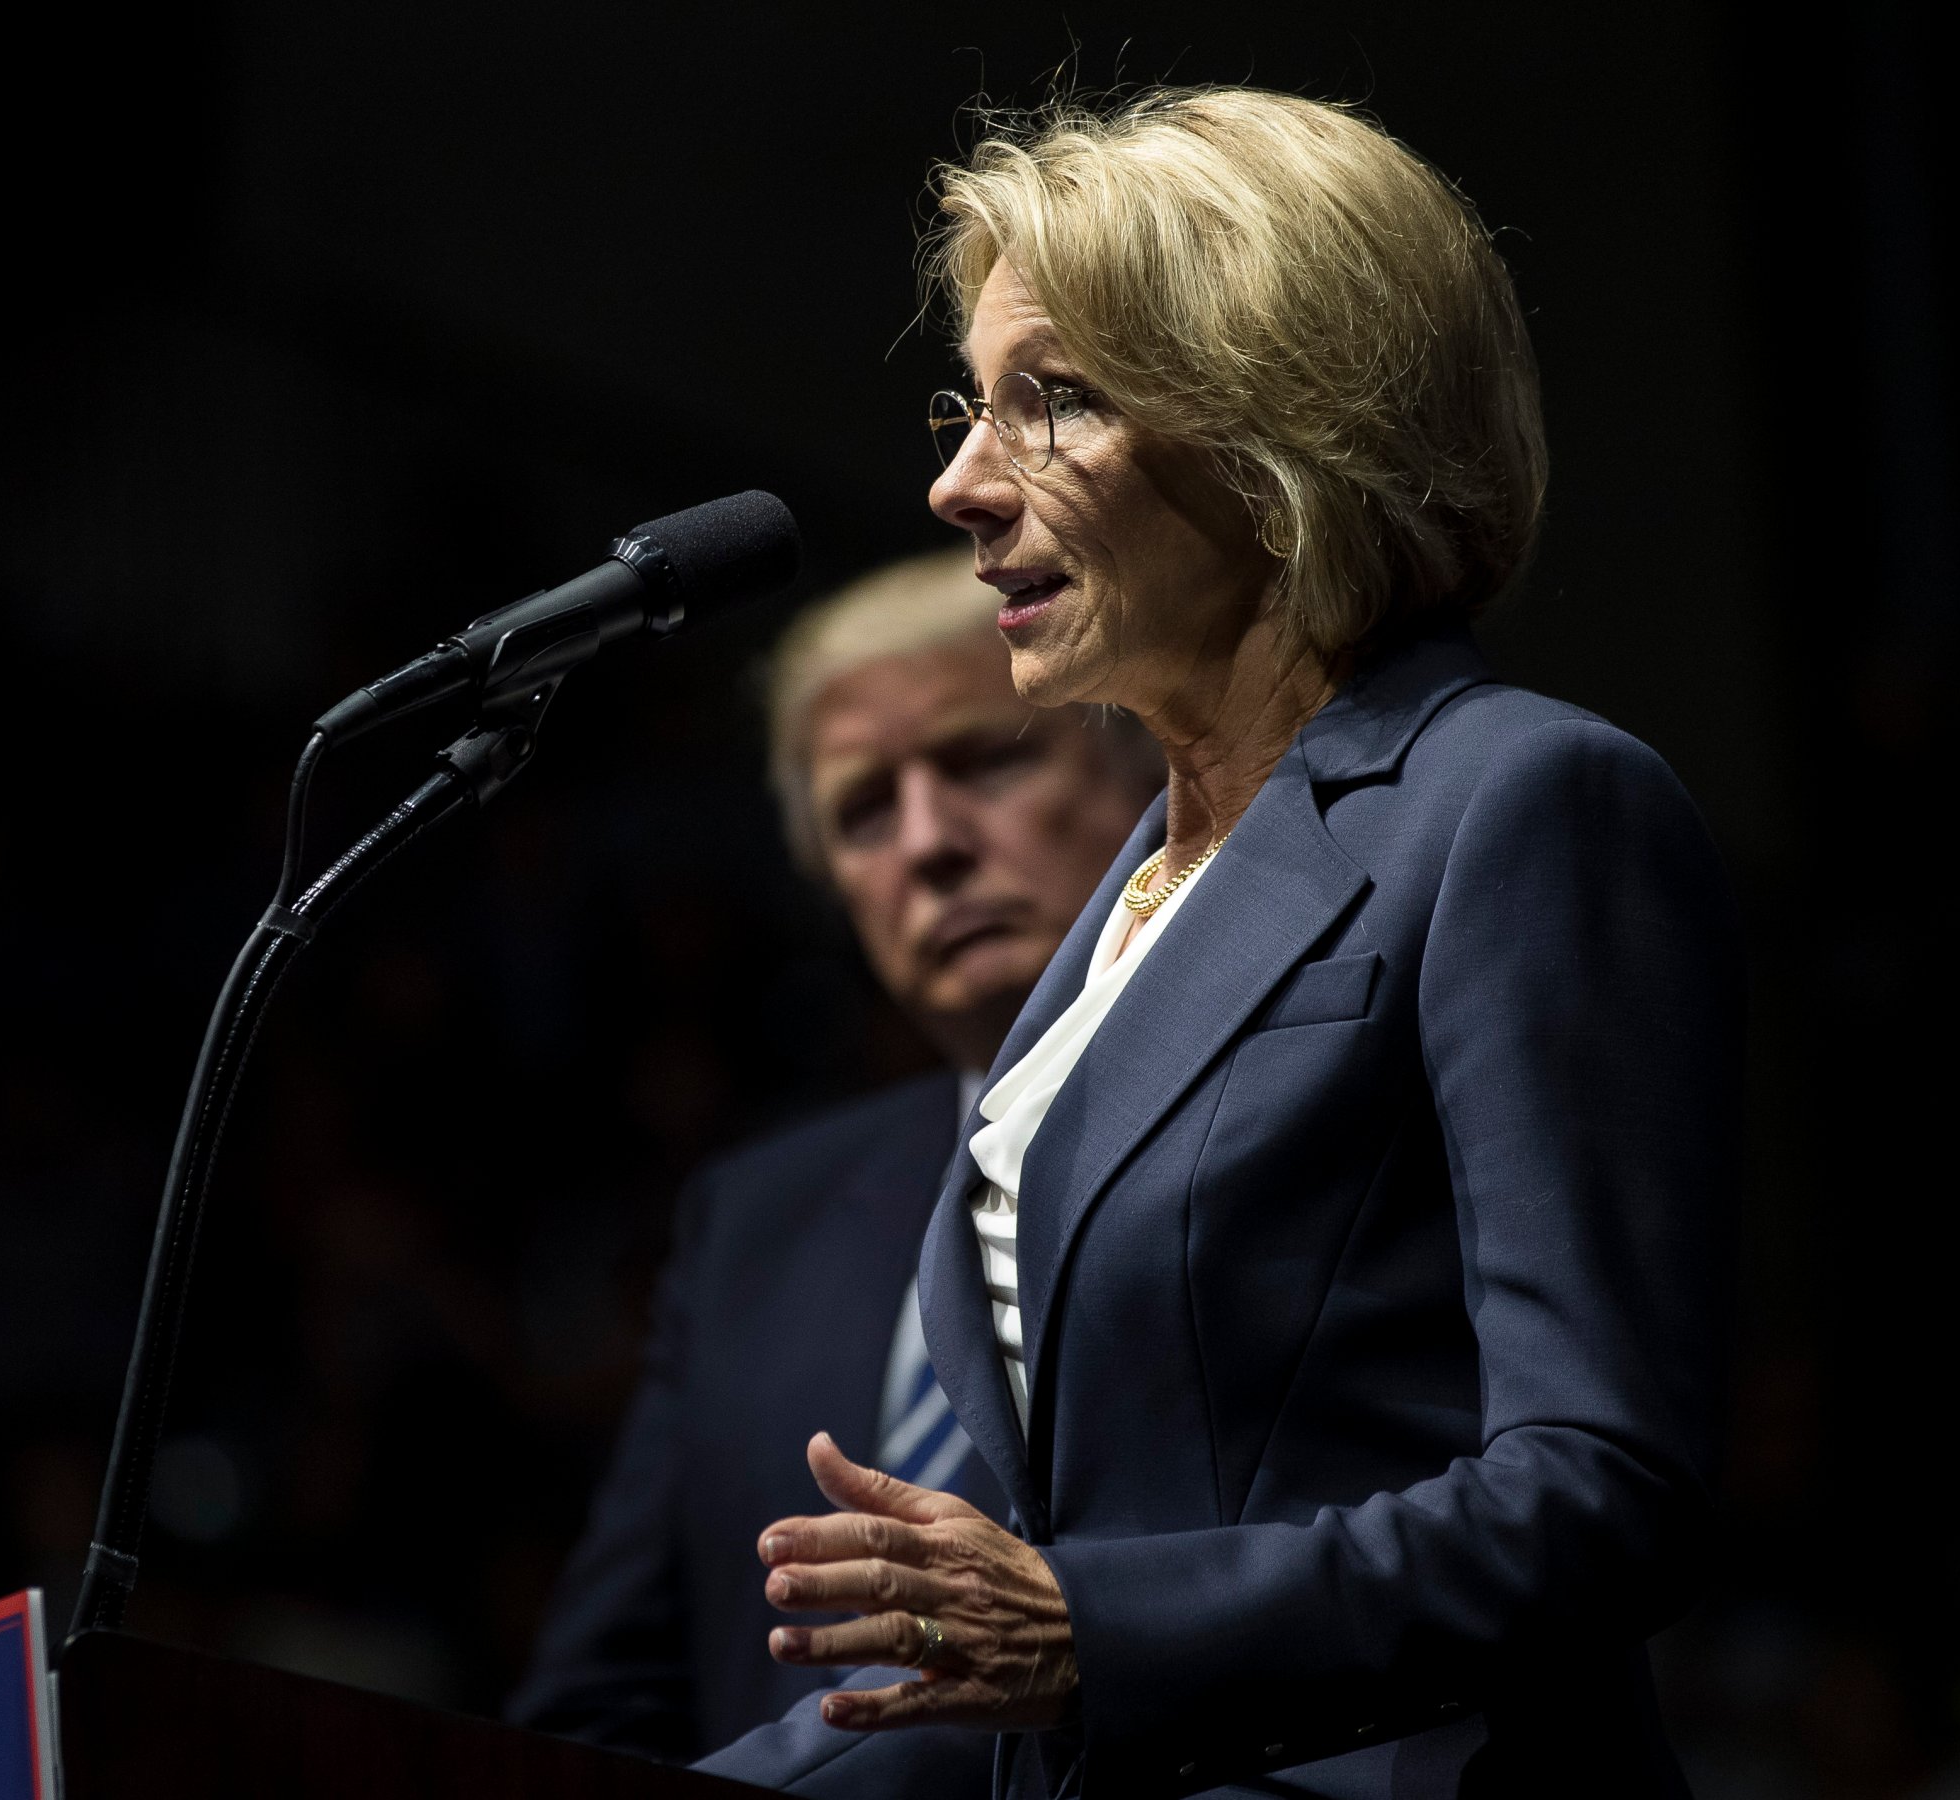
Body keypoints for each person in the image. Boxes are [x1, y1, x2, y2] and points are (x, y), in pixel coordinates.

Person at [701, 89, 1743, 1798]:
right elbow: (1005, 1646)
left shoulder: (1520, 803)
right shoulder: (1126, 899)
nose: (961, 482)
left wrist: (1094, 1631)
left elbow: (1602, 1492)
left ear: (1282, 437)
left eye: (1057, 402)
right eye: (973, 403)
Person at [506, 550, 1160, 1767]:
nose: (928, 843)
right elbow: (602, 1702)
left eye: (985, 758)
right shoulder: (754, 1218)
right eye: (866, 810)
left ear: (1144, 770)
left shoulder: (1280, 1109)